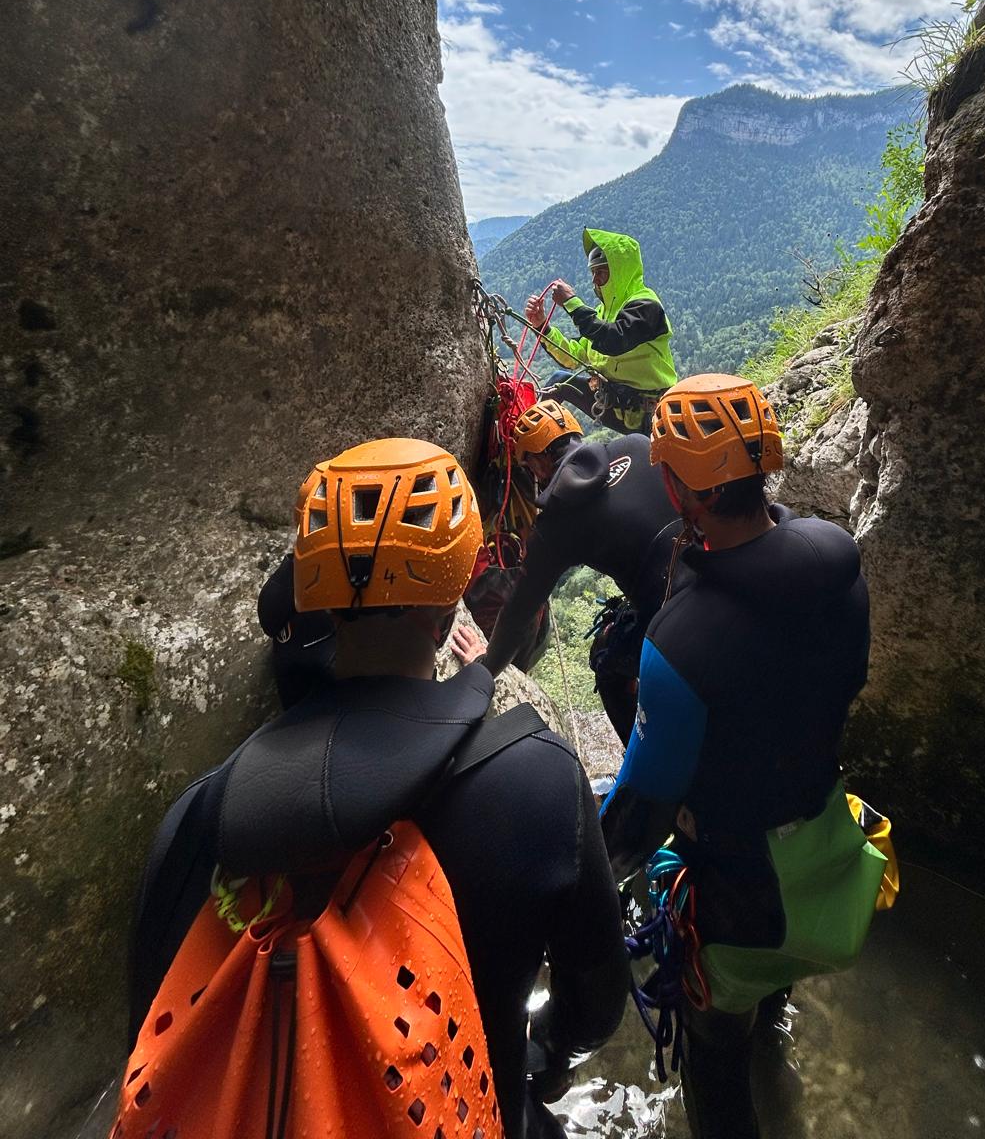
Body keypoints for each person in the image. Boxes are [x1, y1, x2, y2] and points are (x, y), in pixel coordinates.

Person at [118, 438, 628, 1139]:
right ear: (449, 608)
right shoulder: (536, 779)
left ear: (313, 597)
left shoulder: (199, 816)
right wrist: (544, 1054)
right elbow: (597, 1000)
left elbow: (152, 1023)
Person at [600, 376, 886, 1139]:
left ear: (672, 484)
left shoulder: (681, 642)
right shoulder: (839, 562)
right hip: (822, 846)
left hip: (740, 895)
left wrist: (587, 879)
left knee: (714, 1054)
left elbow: (641, 811)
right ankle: (777, 1039)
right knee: (769, 994)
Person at [468, 398, 679, 744]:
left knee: (608, 660)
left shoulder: (558, 521)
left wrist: (483, 668)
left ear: (537, 461)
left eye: (530, 467)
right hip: (709, 571)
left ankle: (643, 768)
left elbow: (518, 611)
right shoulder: (637, 445)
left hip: (666, 616)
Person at [527, 228, 676, 433]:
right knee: (559, 382)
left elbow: (613, 340)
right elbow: (574, 356)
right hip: (614, 403)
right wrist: (541, 325)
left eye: (602, 272)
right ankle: (529, 444)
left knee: (648, 459)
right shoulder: (604, 312)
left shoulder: (646, 305)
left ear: (619, 271)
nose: (595, 280)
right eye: (593, 272)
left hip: (650, 415)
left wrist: (571, 303)